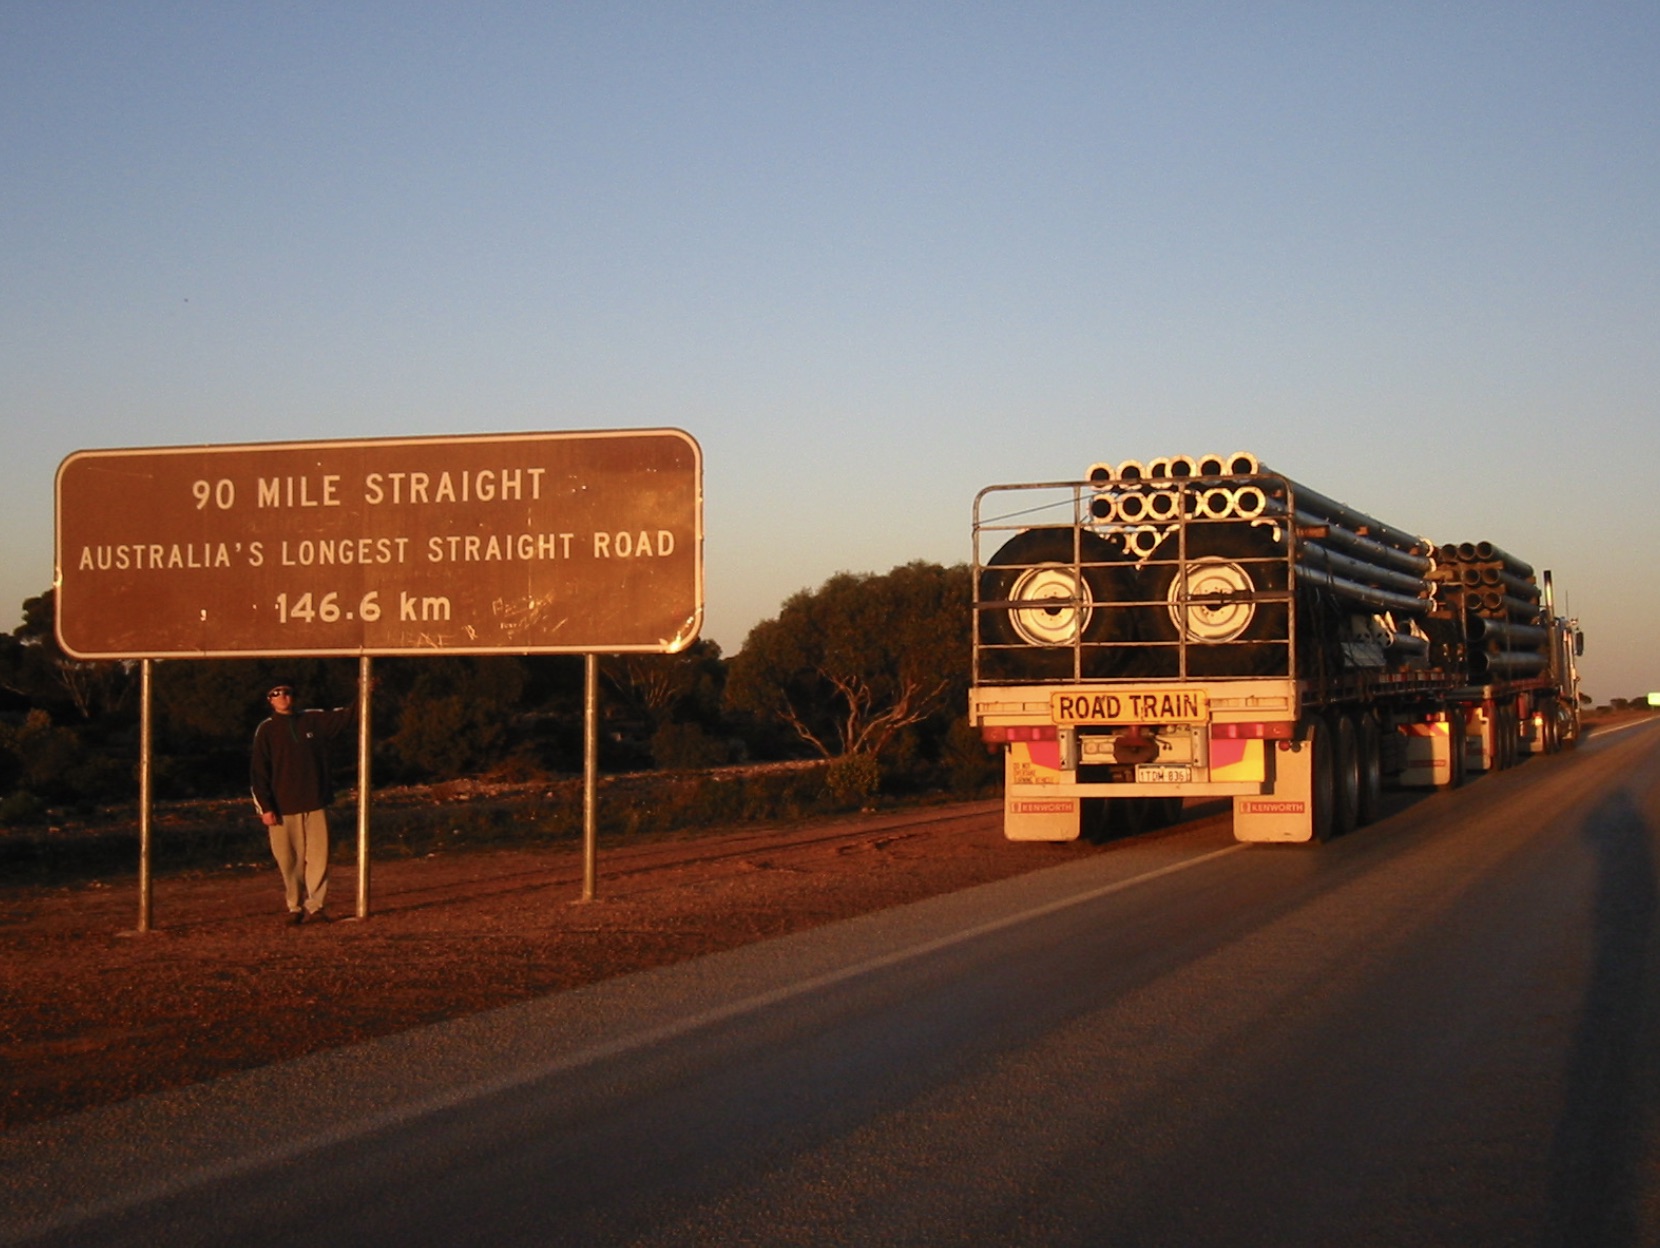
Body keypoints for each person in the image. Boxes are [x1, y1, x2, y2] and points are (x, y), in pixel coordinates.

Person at [250, 679, 357, 925]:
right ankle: (294, 907)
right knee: (288, 860)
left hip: (315, 802)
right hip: (281, 807)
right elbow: (258, 772)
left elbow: (347, 717)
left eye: (287, 692)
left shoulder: (312, 720)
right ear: (270, 700)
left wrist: (363, 692)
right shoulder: (266, 730)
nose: (283, 697)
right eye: (276, 693)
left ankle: (316, 906)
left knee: (318, 857)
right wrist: (265, 808)